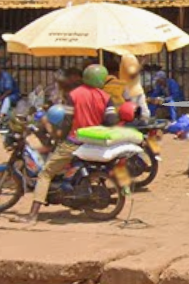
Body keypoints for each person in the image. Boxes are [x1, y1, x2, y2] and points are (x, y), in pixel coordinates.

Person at [12, 64, 116, 225]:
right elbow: (111, 121)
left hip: (74, 141)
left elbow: (67, 121)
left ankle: (32, 216)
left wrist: (60, 136)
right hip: (95, 142)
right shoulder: (106, 97)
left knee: (45, 174)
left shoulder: (74, 95)